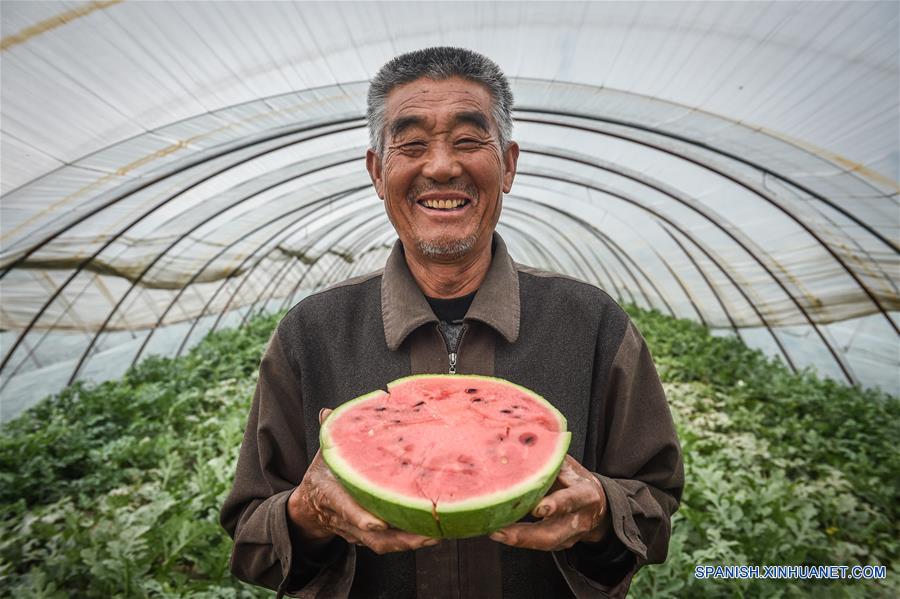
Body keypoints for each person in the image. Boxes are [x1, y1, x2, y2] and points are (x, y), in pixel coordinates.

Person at [220, 47, 683, 598]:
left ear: (508, 165)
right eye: (412, 145)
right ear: (378, 172)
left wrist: (603, 512)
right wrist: (306, 512)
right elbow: (251, 540)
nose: (441, 166)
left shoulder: (593, 324)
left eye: (467, 141)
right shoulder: (310, 333)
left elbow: (656, 507)